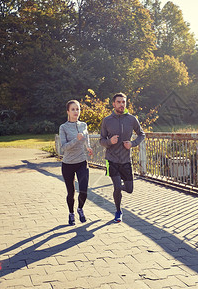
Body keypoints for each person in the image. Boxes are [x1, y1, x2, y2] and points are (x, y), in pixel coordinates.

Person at [100, 93, 145, 222]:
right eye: (119, 102)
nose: (121, 104)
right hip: (112, 159)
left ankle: (117, 193)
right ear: (113, 104)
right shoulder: (107, 120)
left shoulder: (132, 119)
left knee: (129, 189)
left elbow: (142, 135)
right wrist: (110, 142)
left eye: (123, 102)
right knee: (117, 187)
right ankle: (118, 211)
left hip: (126, 160)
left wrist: (132, 144)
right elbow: (101, 140)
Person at [59, 100, 93, 225]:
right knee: (71, 192)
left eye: (78, 109)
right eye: (73, 109)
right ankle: (71, 213)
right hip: (68, 164)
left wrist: (88, 147)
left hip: (82, 162)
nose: (76, 112)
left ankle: (80, 209)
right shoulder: (63, 127)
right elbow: (63, 147)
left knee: (84, 190)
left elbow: (86, 137)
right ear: (68, 111)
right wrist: (75, 139)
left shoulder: (83, 125)